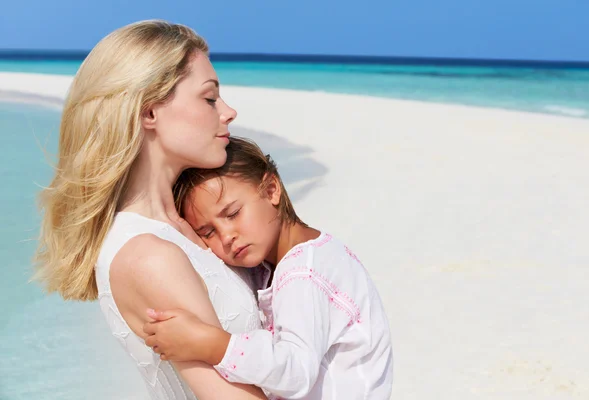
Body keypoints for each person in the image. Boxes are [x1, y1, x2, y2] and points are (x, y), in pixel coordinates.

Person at [34, 20, 268, 399]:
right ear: (148, 113)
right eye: (209, 99)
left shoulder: (191, 225)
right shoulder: (148, 256)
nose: (228, 111)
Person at [143, 137, 394, 399]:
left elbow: (296, 373)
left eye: (232, 214)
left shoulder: (304, 274)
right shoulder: (294, 257)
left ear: (272, 189)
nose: (226, 236)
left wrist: (211, 344)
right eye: (208, 232)